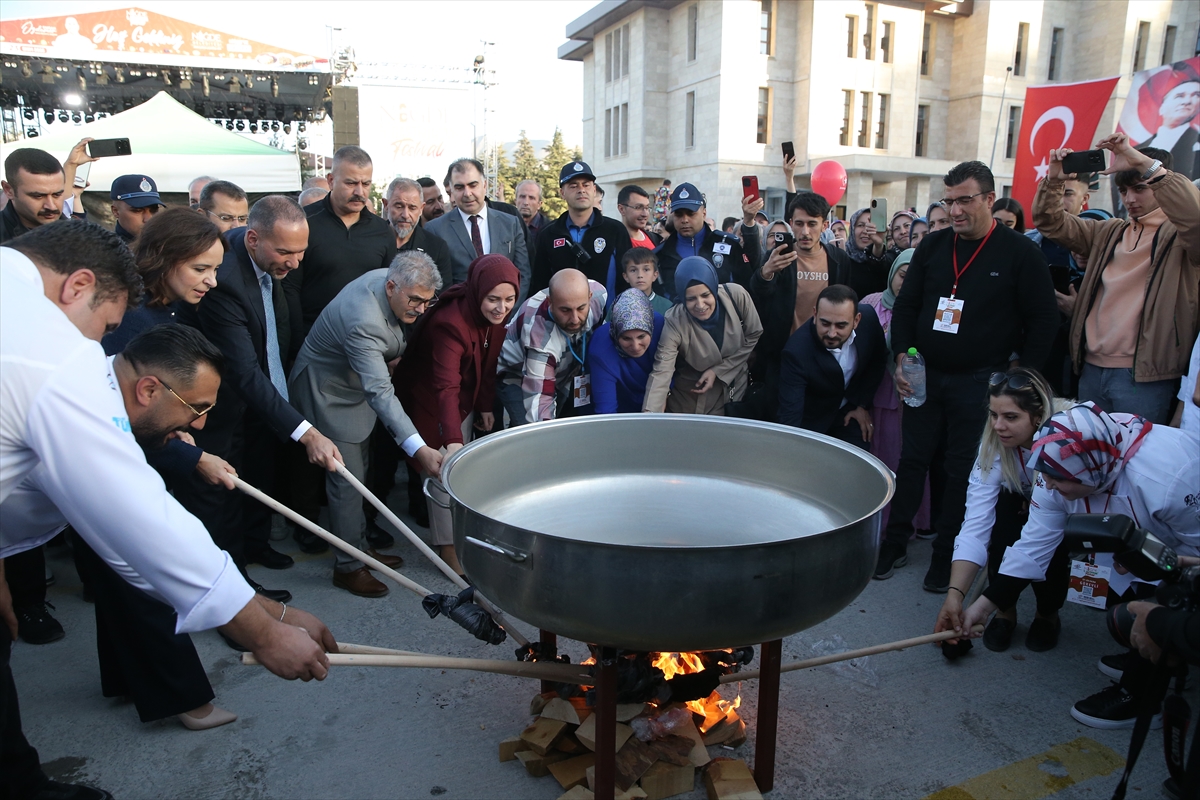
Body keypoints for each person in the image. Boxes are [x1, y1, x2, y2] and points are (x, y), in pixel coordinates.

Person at [1, 221, 336, 800]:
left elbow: (127, 542)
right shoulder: (59, 357)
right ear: (77, 286)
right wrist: (258, 628)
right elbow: (133, 517)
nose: (101, 348)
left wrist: (258, 607)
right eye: (106, 328)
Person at [959, 402, 1200, 728]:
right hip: (1140, 533)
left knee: (1161, 600)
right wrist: (985, 605)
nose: (1046, 484)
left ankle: (1143, 696)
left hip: (1187, 538)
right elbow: (1034, 545)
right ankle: (1150, 657)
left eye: (1056, 479)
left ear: (1093, 472)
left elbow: (1191, 558)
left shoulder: (1169, 477)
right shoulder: (1059, 465)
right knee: (1124, 597)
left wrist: (1166, 616)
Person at [878, 160, 1058, 593]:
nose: (955, 210)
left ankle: (946, 559)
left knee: (963, 471)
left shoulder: (1020, 253)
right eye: (949, 201)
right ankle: (895, 542)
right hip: (926, 375)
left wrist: (1022, 379)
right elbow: (906, 307)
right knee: (912, 460)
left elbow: (1043, 321)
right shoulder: (934, 247)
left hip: (981, 383)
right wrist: (902, 355)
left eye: (965, 200)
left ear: (989, 200)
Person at [63, 326, 240, 730]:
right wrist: (263, 627)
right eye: (196, 408)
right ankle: (186, 698)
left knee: (116, 579)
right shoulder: (84, 413)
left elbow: (138, 426)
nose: (199, 425)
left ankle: (128, 680)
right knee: (148, 580)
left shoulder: (113, 379)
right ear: (147, 389)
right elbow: (159, 536)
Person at [183, 197, 344, 578]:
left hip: (265, 400)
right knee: (227, 495)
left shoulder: (272, 263)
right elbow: (244, 371)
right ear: (253, 239)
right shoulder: (226, 282)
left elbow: (279, 331)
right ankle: (235, 586)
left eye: (302, 252)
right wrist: (306, 433)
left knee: (261, 477)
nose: (294, 263)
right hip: (228, 406)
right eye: (285, 252)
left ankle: (257, 546)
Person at [289, 252, 443, 597]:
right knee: (347, 482)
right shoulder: (365, 320)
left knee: (361, 470)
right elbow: (380, 392)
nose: (420, 309)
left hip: (352, 386)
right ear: (392, 287)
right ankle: (348, 567)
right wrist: (419, 450)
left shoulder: (388, 279)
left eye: (426, 301)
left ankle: (358, 547)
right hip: (327, 392)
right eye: (415, 301)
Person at [1034, 133, 1200, 424]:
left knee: (1133, 465)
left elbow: (1194, 217)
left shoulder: (1182, 236)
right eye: (1124, 191)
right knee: (1089, 463)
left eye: (1139, 188)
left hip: (1145, 377)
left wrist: (1146, 165)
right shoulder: (1109, 231)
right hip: (1090, 369)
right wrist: (1054, 181)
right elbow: (1050, 221)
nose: (1130, 199)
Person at [395, 254, 520, 573]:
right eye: (493, 299)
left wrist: (485, 406)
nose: (501, 308)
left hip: (464, 398)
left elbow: (489, 360)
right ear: (478, 291)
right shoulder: (449, 322)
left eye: (509, 299)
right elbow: (445, 387)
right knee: (442, 468)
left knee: (466, 468)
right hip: (428, 399)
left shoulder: (493, 314)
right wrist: (451, 441)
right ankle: (447, 548)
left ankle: (463, 536)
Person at [934, 368, 1074, 653]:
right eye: (993, 415)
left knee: (1054, 554)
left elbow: (1039, 540)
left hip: (1064, 500)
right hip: (1017, 490)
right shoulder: (994, 442)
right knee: (1001, 535)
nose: (998, 426)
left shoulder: (1066, 438)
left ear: (1038, 417)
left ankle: (1047, 614)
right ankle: (1004, 611)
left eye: (1011, 417)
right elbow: (975, 524)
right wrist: (954, 596)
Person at [750, 192, 858, 422]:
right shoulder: (779, 257)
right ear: (791, 224)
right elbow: (759, 299)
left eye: (812, 224)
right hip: (783, 356)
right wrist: (765, 273)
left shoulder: (839, 259)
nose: (805, 232)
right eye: (799, 224)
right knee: (784, 422)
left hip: (825, 355)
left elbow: (847, 301)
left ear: (825, 225)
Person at [284, 146, 397, 347]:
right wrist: (296, 344)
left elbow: (388, 291)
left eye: (366, 183)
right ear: (330, 180)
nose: (359, 192)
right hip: (312, 342)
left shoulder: (383, 231)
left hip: (365, 343)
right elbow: (289, 289)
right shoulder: (303, 222)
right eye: (351, 183)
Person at [862, 249, 932, 533]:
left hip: (911, 394)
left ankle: (906, 524)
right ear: (893, 273)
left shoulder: (927, 310)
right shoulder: (870, 303)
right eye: (903, 275)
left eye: (914, 277)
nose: (907, 282)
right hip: (875, 390)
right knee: (877, 453)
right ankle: (876, 521)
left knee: (905, 457)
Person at [643, 257, 763, 415]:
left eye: (706, 295)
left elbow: (754, 334)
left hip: (735, 390)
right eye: (691, 299)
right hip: (692, 400)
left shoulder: (736, 296)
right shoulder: (675, 320)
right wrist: (650, 417)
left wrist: (719, 370)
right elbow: (662, 371)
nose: (700, 305)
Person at [102, 207, 225, 354]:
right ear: (164, 258)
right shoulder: (130, 318)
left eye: (216, 269)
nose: (213, 282)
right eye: (200, 269)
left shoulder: (182, 304)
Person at [778, 284, 886, 449]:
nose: (831, 333)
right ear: (815, 314)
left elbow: (877, 359)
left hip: (848, 415)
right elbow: (790, 415)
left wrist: (862, 404)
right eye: (825, 323)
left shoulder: (869, 321)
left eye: (841, 326)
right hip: (810, 424)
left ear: (857, 320)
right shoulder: (796, 352)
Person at [497, 269, 607, 425]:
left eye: (581, 308)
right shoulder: (539, 337)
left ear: (590, 298)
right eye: (565, 310)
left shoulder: (599, 295)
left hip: (564, 368)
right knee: (529, 433)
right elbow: (540, 405)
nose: (575, 319)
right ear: (550, 302)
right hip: (516, 374)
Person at [425, 158, 530, 299]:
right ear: (451, 191)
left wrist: (508, 313)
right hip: (458, 316)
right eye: (459, 187)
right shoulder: (435, 229)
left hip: (506, 316)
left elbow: (523, 274)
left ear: (484, 185)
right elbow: (436, 285)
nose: (467, 193)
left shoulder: (510, 223)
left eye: (473, 185)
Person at [529, 161, 632, 296]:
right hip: (561, 316)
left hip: (608, 315)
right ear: (562, 193)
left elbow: (628, 279)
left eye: (586, 185)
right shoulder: (549, 234)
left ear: (594, 190)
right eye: (573, 186)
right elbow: (539, 283)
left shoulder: (615, 230)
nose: (581, 190)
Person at [654, 182, 761, 299]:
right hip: (676, 316)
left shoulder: (729, 245)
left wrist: (749, 223)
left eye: (691, 214)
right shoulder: (660, 255)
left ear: (704, 213)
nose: (685, 220)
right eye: (679, 215)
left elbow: (750, 278)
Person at [587, 288, 665, 415]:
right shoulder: (600, 348)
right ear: (615, 332)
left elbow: (672, 374)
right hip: (622, 407)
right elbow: (606, 410)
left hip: (661, 400)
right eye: (626, 338)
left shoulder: (662, 330)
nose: (635, 346)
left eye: (641, 336)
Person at [1136, 63, 1200, 180]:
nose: (1187, 101)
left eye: (1196, 95)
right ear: (1161, 106)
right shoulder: (1137, 149)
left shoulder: (1197, 144)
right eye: (1180, 96)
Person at [385, 177, 452, 283]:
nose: (405, 215)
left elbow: (443, 294)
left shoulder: (436, 248)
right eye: (399, 206)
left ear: (421, 208)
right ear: (386, 205)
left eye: (412, 208)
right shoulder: (370, 239)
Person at [1, 148, 67, 242]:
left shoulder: (81, 236)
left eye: (57, 194)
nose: (51, 206)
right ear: (9, 191)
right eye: (38, 196)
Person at [844, 208, 890, 294]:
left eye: (871, 226)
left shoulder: (887, 260)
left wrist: (878, 246)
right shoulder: (841, 260)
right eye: (860, 225)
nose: (865, 231)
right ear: (852, 229)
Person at [109, 174, 163, 242]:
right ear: (115, 211)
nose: (148, 219)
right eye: (138, 210)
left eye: (154, 210)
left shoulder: (169, 248)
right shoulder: (102, 250)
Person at [619, 248, 672, 315]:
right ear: (626, 276)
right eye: (633, 270)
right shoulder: (618, 306)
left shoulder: (667, 307)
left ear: (655, 275)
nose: (640, 275)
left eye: (646, 270)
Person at [515, 179, 552, 260]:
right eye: (522, 196)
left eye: (531, 198)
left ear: (539, 204)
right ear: (515, 201)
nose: (526, 202)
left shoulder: (550, 230)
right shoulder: (507, 226)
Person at [617, 184, 661, 250]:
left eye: (647, 208)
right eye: (638, 207)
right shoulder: (614, 243)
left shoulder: (656, 239)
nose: (645, 214)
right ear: (621, 209)